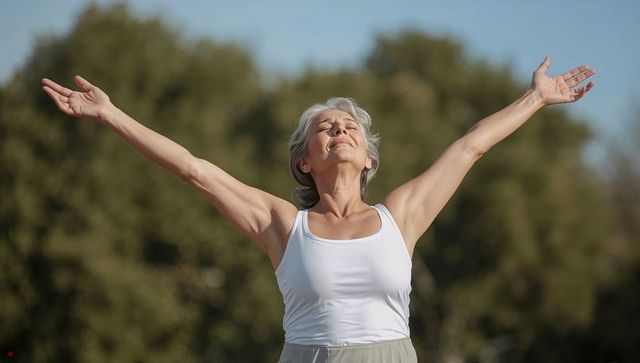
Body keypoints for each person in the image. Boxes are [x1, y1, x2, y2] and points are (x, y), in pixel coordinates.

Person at [42, 56, 594, 362]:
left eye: (351, 126)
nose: (341, 129)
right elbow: (194, 167)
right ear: (304, 160)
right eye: (325, 128)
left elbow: (471, 144)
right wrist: (112, 116)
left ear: (369, 158)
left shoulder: (401, 215)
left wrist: (537, 98)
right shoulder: (283, 225)